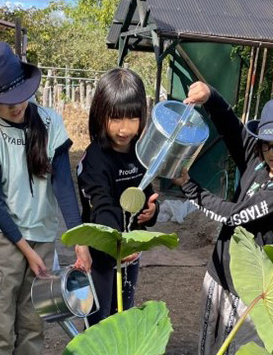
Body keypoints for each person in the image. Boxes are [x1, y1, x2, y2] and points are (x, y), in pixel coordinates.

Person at [173, 82, 273, 354]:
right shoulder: (259, 160)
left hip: (244, 284)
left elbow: (237, 216)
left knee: (233, 346)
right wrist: (211, 96)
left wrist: (190, 187)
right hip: (217, 270)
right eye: (266, 145)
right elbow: (232, 128)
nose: (272, 152)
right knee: (207, 344)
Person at [0, 42, 91, 354]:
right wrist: (24, 249)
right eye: (5, 102)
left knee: (33, 324)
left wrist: (78, 238)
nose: (16, 105)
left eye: (20, 95)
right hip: (3, 239)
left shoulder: (50, 122)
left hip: (42, 236)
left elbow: (63, 185)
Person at [77, 68, 159, 326]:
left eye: (132, 118)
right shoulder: (93, 160)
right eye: (115, 118)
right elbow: (102, 204)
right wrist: (115, 243)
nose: (125, 129)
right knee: (99, 320)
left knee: (122, 314)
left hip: (130, 252)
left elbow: (144, 191)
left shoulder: (140, 152)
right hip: (101, 252)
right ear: (101, 116)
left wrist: (150, 213)